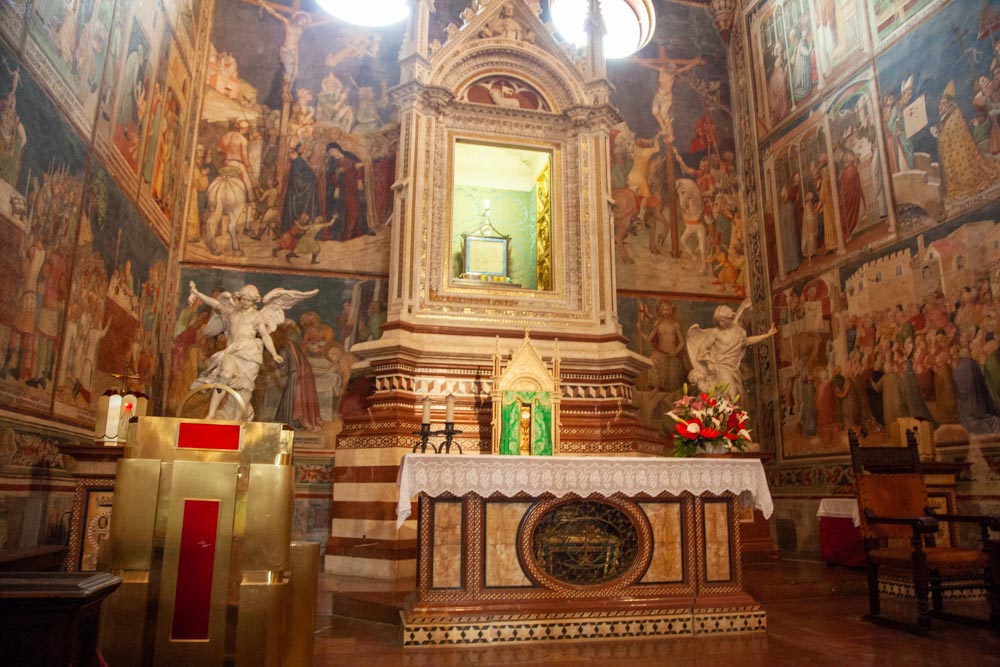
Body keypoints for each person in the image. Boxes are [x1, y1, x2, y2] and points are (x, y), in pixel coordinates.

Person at [187, 281, 317, 420]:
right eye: (244, 299)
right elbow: (214, 303)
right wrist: (197, 292)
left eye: (250, 300)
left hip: (249, 354)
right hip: (232, 352)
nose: (246, 302)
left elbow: (265, 335)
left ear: (254, 300)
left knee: (245, 388)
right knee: (224, 376)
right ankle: (211, 414)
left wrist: (274, 353)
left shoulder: (257, 316)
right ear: (239, 297)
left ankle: (238, 418)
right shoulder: (230, 311)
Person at [686, 298, 777, 401]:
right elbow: (703, 348)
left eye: (723, 320)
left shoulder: (738, 331)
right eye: (719, 321)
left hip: (733, 368)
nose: (721, 323)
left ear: (729, 318)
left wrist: (767, 335)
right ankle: (728, 415)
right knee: (731, 395)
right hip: (721, 367)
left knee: (735, 395)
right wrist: (709, 363)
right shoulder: (715, 332)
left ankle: (730, 415)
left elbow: (746, 341)